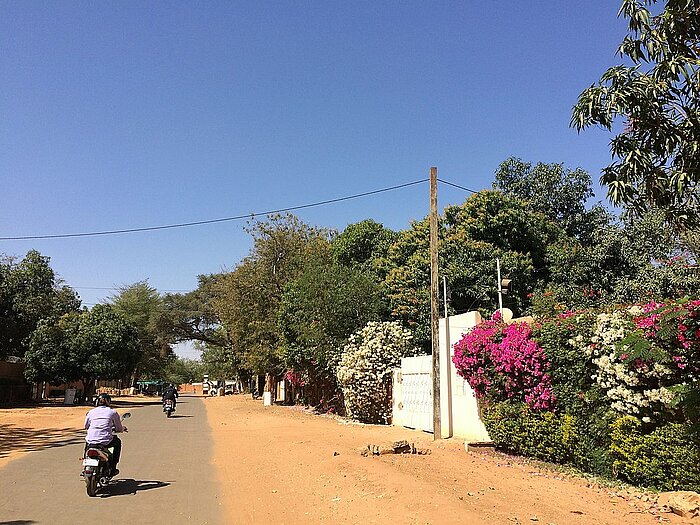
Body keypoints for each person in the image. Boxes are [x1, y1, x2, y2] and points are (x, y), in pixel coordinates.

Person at [84, 393, 126, 476]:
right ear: (108, 402)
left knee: (87, 444)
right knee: (117, 442)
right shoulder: (113, 412)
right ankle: (113, 467)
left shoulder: (91, 412)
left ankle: (86, 461)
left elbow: (86, 426)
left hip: (91, 440)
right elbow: (118, 428)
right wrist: (122, 429)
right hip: (105, 441)